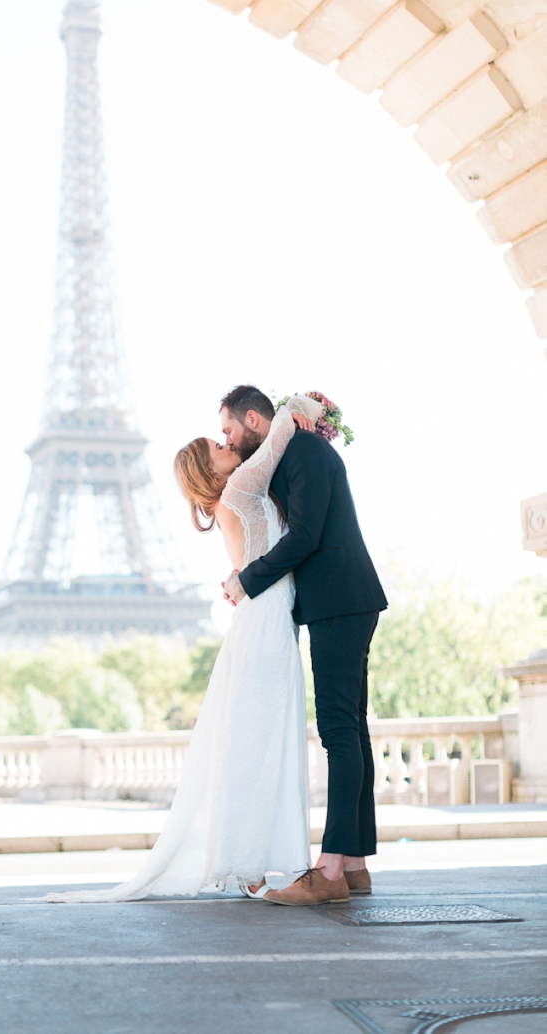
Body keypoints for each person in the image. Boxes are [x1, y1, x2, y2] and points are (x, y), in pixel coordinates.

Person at [45, 394, 320, 903]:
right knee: (260, 742)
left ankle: (247, 862)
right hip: (263, 624)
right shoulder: (240, 485)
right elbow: (279, 432)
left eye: (225, 437)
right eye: (217, 444)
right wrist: (307, 404)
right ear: (205, 465)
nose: (226, 443)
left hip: (264, 621)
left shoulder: (231, 497)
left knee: (257, 741)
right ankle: (248, 865)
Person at [221, 384, 387, 906]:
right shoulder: (295, 452)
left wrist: (248, 580)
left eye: (228, 430)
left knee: (339, 732)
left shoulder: (305, 451)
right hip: (344, 598)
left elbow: (306, 535)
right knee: (350, 730)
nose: (227, 439)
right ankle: (354, 864)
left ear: (253, 418)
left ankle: (330, 869)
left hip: (338, 598)